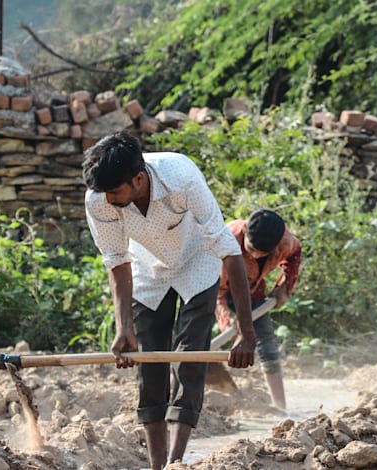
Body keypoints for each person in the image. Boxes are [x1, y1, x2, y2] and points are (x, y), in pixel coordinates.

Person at [82, 131, 257, 470]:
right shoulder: (98, 200)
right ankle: (156, 465)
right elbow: (117, 261)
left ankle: (176, 462)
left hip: (198, 258)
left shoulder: (181, 176)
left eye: (116, 192)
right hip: (147, 267)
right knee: (149, 364)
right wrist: (124, 327)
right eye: (104, 194)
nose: (109, 200)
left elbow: (228, 251)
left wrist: (246, 333)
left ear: (138, 178)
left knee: (190, 358)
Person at [215, 209, 302, 411]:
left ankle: (280, 406)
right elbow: (216, 293)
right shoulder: (226, 242)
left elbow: (295, 254)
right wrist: (229, 325)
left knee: (266, 341)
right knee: (197, 336)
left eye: (261, 253)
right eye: (251, 249)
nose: (254, 255)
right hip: (214, 286)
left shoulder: (285, 242)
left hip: (252, 289)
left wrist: (285, 286)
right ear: (245, 232)